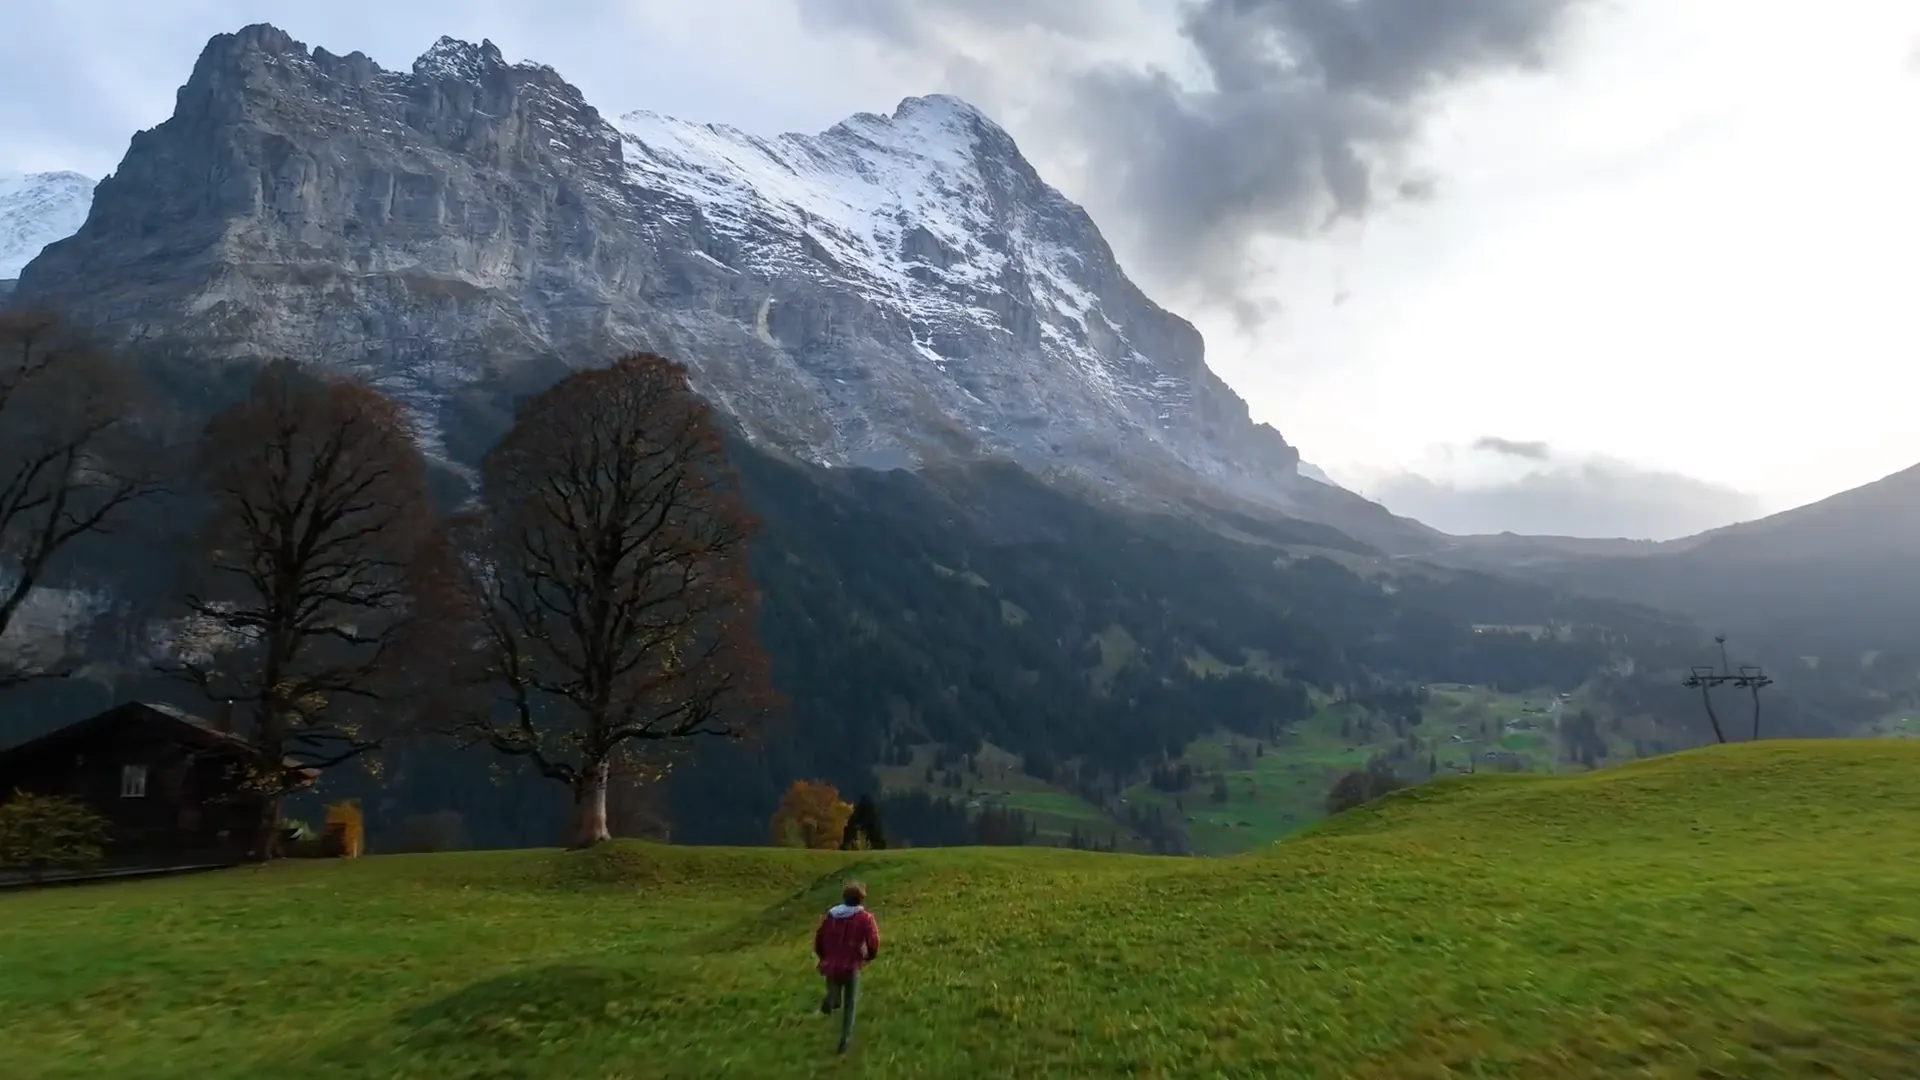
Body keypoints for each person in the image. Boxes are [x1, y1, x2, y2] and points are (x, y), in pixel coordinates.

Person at [813, 879, 881, 1054]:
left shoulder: (831, 915)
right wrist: (869, 956)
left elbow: (819, 938)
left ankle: (832, 999)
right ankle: (845, 1040)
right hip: (851, 964)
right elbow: (873, 941)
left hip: (831, 964)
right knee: (850, 1004)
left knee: (835, 995)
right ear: (861, 899)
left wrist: (824, 956)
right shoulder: (865, 918)